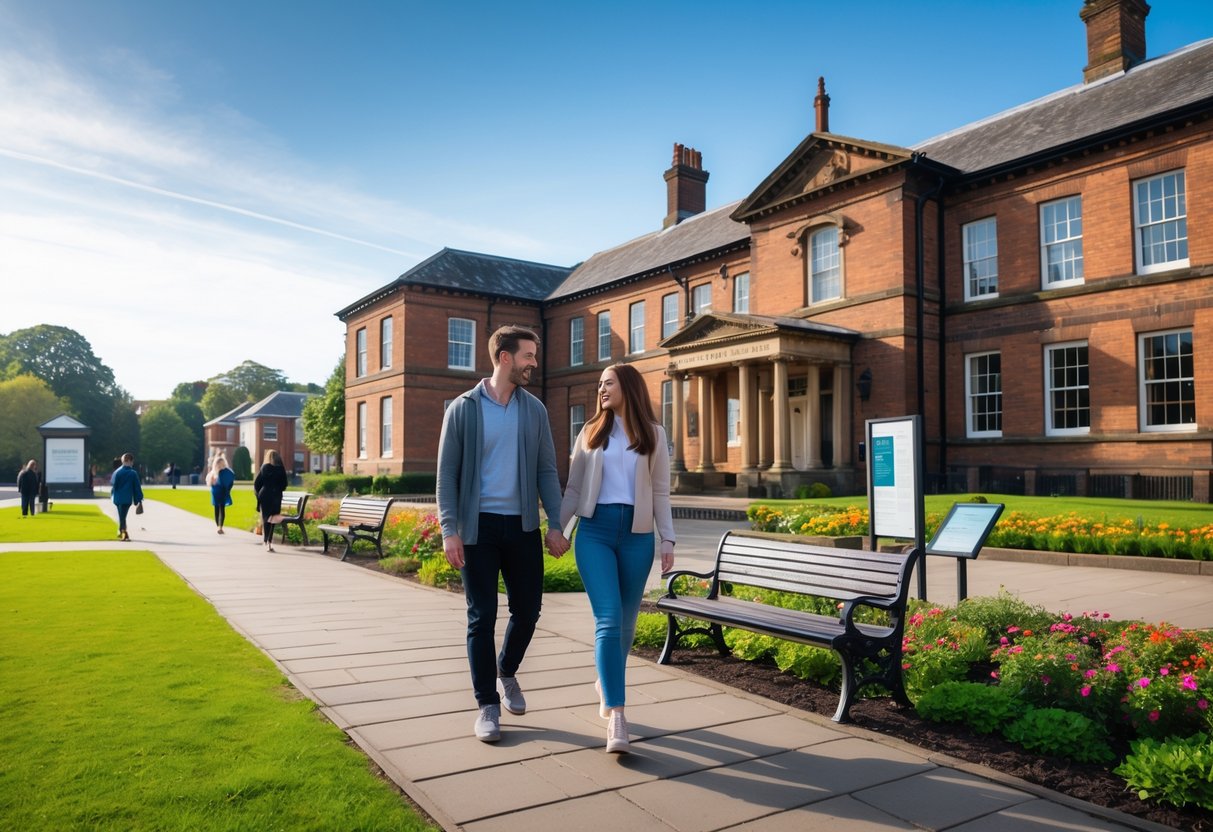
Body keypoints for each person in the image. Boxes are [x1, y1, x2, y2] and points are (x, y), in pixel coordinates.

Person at [437, 324, 570, 742]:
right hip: (477, 529)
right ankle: (487, 706)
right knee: (482, 617)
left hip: (522, 526)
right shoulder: (462, 408)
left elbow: (547, 470)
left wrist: (555, 523)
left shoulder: (535, 410)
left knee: (528, 610)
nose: (535, 362)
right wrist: (449, 530)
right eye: (528, 355)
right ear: (505, 357)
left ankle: (506, 670)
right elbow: (447, 475)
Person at [559, 363, 675, 754]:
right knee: (608, 618)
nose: (601, 389)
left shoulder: (654, 435)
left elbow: (661, 492)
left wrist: (668, 539)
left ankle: (605, 681)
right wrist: (557, 528)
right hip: (595, 533)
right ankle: (618, 714)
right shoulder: (590, 432)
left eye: (608, 383)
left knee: (627, 624)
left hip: (637, 537)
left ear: (627, 385)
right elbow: (574, 488)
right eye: (599, 385)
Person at [253, 449, 288, 552]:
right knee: (273, 519)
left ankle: (266, 541)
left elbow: (257, 483)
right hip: (276, 496)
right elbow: (284, 484)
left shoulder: (264, 467)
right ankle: (269, 541)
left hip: (265, 495)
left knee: (266, 518)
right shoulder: (281, 469)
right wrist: (277, 489)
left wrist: (259, 494)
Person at [110, 453, 144, 541]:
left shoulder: (117, 472)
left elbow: (113, 485)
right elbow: (137, 487)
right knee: (123, 516)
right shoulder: (133, 473)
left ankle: (122, 532)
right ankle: (124, 532)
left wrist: (112, 495)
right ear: (129, 461)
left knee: (122, 516)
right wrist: (138, 499)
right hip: (127, 498)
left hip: (117, 498)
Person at [206, 453, 236, 534]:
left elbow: (210, 483)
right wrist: (228, 489)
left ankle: (218, 527)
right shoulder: (224, 472)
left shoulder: (214, 473)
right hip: (221, 492)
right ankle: (220, 527)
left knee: (217, 509)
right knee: (221, 510)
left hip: (216, 492)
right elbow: (231, 480)